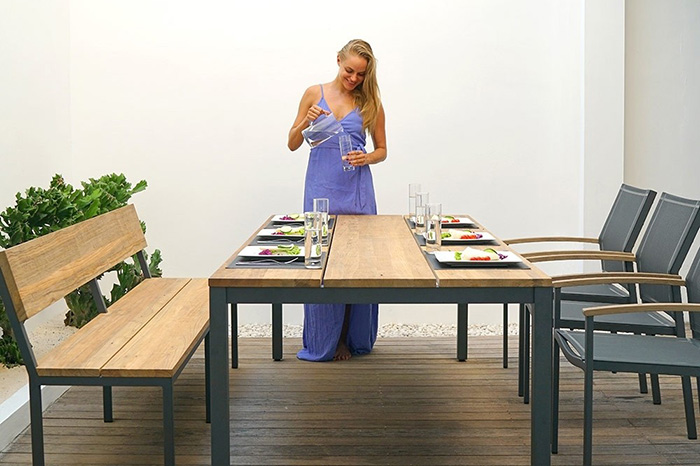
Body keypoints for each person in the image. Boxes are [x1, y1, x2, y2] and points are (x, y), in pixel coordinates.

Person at [287, 39, 387, 361]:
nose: (354, 78)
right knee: (321, 263)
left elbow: (382, 150)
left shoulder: (370, 102)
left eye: (361, 74)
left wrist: (366, 157)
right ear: (338, 61)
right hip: (321, 189)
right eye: (350, 71)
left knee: (357, 264)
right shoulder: (313, 93)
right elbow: (291, 143)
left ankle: (348, 338)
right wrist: (306, 121)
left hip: (356, 190)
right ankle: (324, 339)